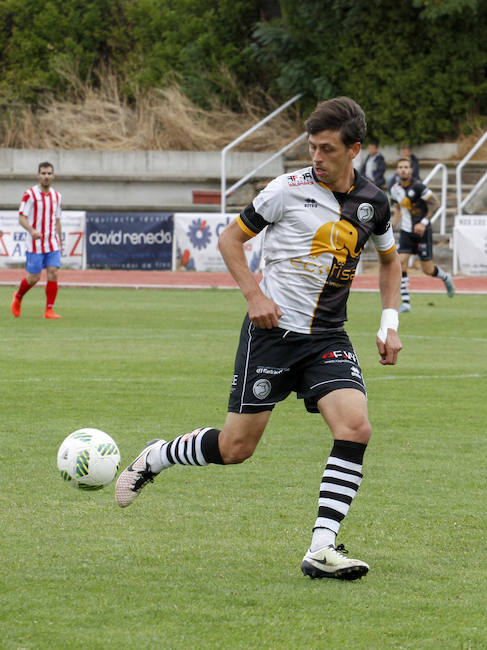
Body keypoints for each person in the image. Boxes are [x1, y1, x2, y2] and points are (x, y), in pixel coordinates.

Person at [114, 97, 403, 581]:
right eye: (312, 147)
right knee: (236, 448)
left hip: (327, 337)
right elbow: (229, 240)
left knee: (355, 427)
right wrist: (253, 295)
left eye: (327, 149)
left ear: (354, 150)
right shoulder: (285, 190)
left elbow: (391, 261)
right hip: (270, 335)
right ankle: (158, 454)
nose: (316, 158)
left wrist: (389, 321)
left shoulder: (373, 202)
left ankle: (321, 547)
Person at [388, 157, 454, 312]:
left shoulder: (418, 187)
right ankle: (406, 303)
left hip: (422, 232)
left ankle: (446, 277)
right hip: (406, 231)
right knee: (401, 262)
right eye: (400, 167)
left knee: (428, 270)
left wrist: (424, 222)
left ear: (411, 170)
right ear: (397, 170)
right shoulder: (395, 189)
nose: (403, 169)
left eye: (406, 167)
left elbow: (435, 203)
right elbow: (398, 209)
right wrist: (392, 224)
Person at [11, 162, 63, 319]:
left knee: (53, 272)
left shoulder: (57, 196)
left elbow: (58, 220)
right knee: (34, 278)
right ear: (38, 175)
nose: (46, 176)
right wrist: (32, 230)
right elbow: (21, 217)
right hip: (35, 244)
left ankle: (49, 310)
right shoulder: (30, 194)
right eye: (43, 173)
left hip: (52, 242)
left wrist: (59, 241)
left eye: (49, 173)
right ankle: (18, 296)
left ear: (53, 176)